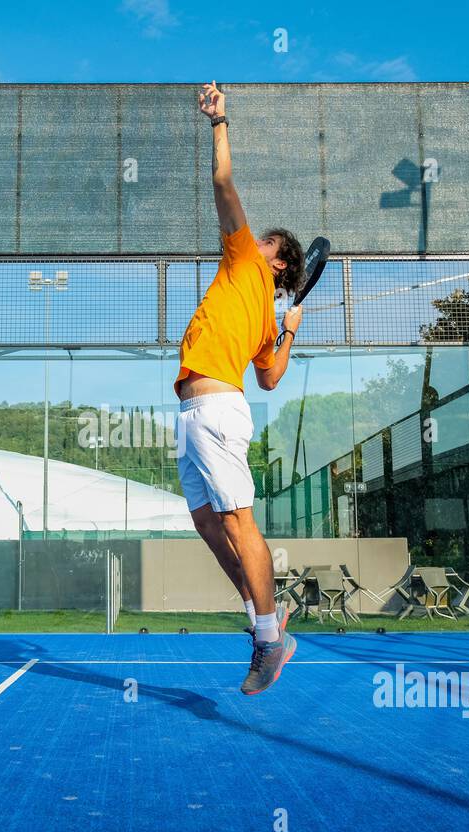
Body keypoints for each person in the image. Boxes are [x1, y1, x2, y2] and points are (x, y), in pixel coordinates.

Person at [176, 81, 306, 695]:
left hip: (215, 412)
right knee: (208, 523)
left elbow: (223, 186)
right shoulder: (259, 309)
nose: (254, 239)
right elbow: (271, 377)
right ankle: (265, 615)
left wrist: (219, 123)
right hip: (201, 411)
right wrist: (287, 334)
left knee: (237, 522)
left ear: (275, 262)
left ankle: (267, 640)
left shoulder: (245, 264)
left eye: (266, 242)